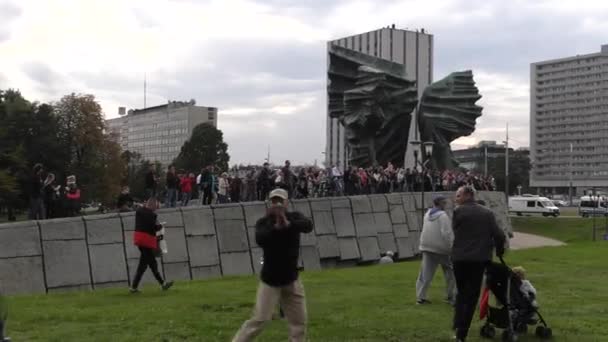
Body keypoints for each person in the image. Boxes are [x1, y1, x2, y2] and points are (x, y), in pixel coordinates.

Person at [232, 188, 313, 342]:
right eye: (274, 201)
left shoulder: (295, 218)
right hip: (270, 281)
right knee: (260, 320)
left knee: (299, 322)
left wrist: (288, 224)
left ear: (287, 202)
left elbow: (308, 225)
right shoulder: (263, 223)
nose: (277, 204)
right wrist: (276, 228)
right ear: (269, 204)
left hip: (292, 280)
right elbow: (261, 238)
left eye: (280, 201)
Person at [451, 186, 506, 342]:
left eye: (459, 195)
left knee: (461, 293)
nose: (457, 198)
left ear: (469, 195)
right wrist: (499, 251)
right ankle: (462, 332)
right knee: (472, 295)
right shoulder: (487, 213)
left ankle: (458, 325)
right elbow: (499, 235)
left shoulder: (457, 212)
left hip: (459, 259)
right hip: (478, 259)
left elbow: (456, 231)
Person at [415, 195, 456, 306]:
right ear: (441, 203)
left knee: (425, 274)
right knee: (451, 272)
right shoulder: (443, 216)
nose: (446, 205)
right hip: (442, 249)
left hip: (427, 247)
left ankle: (420, 297)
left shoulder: (427, 214)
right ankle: (451, 296)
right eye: (445, 203)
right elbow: (446, 233)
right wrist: (452, 247)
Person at [130, 198, 174, 293]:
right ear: (153, 206)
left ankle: (134, 287)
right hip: (147, 241)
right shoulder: (153, 215)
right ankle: (163, 284)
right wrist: (161, 226)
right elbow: (153, 228)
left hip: (139, 239)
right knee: (153, 264)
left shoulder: (139, 211)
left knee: (143, 265)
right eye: (156, 207)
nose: (156, 209)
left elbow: (141, 210)